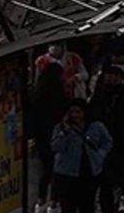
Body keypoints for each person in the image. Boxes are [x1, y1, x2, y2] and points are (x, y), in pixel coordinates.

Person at [90, 60, 124, 213]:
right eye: (110, 76)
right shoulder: (100, 98)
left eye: (115, 76)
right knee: (107, 186)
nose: (112, 79)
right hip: (107, 149)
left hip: (123, 147)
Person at [52, 100, 113, 213]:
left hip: (89, 171)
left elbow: (107, 141)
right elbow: (56, 147)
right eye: (72, 112)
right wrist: (66, 132)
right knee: (68, 206)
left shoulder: (96, 126)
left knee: (87, 204)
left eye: (78, 112)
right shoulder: (61, 128)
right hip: (67, 172)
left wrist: (100, 155)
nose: (75, 115)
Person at [31, 64, 70, 213]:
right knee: (57, 170)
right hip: (57, 135)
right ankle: (54, 202)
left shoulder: (36, 94)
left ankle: (40, 200)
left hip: (41, 136)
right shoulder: (60, 96)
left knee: (45, 169)